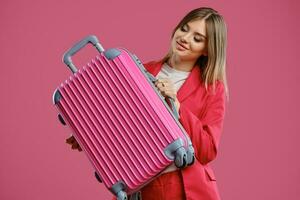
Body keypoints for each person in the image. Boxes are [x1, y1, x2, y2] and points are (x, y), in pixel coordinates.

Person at [66, 7, 228, 200]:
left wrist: (177, 106)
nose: (185, 38)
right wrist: (91, 134)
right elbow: (120, 121)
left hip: (185, 188)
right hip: (141, 185)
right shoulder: (139, 69)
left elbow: (207, 150)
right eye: (184, 29)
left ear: (207, 50)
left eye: (197, 38)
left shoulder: (211, 88)